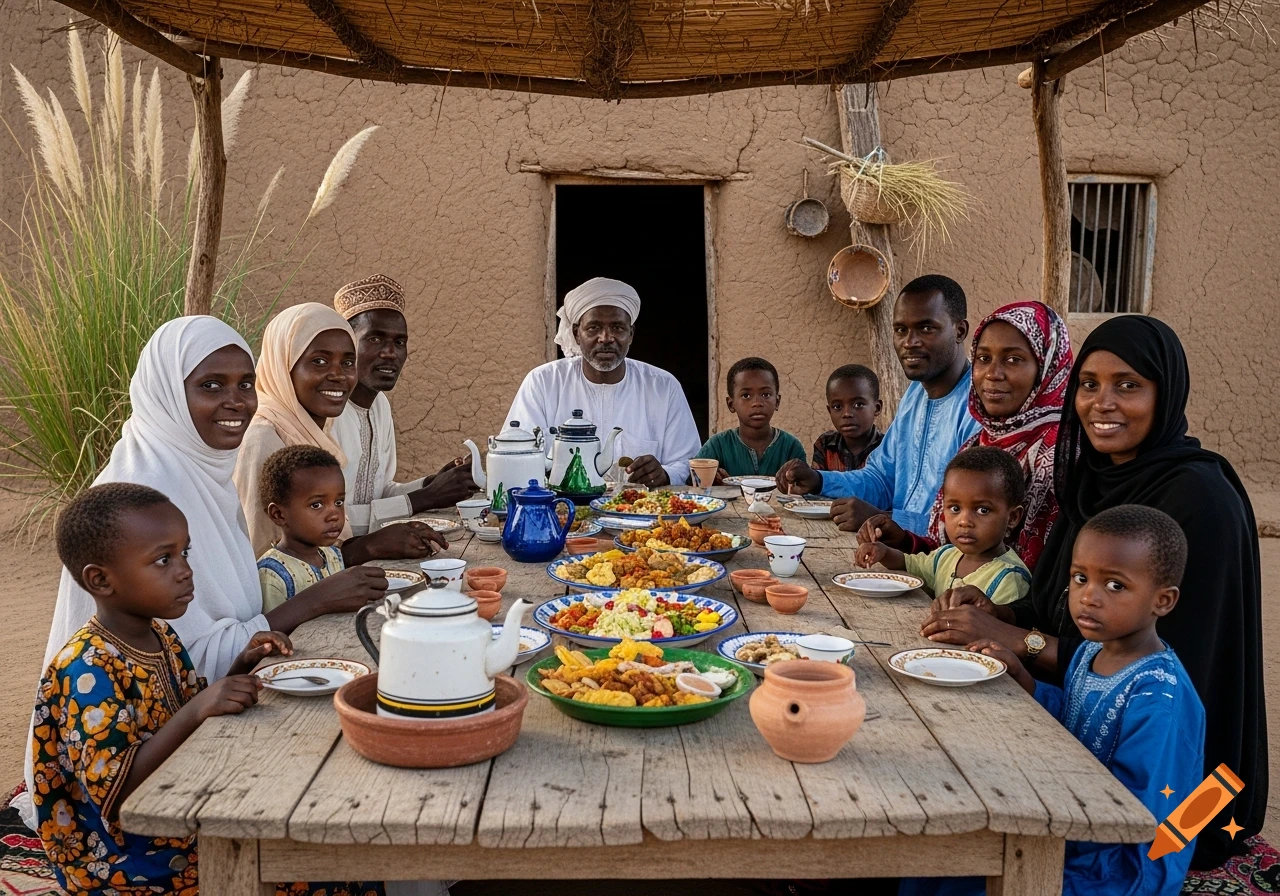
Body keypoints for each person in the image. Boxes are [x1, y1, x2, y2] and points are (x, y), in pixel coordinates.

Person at [919, 315, 1266, 870]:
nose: (1102, 403)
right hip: (1078, 719)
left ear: (1165, 392)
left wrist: (1017, 638)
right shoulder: (1093, 479)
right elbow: (1054, 599)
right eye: (1089, 384)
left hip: (1180, 797)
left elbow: (1149, 660)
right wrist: (996, 609)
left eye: (1128, 385)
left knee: (961, 824)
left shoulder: (1199, 500)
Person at [21, 316, 391, 832]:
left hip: (187, 736)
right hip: (126, 813)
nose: (236, 401)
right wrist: (314, 601)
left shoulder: (206, 472)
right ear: (167, 393)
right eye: (210, 385)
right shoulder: (139, 497)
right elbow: (175, 676)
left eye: (245, 384)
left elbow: (188, 661)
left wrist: (245, 651)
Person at [905, 505, 1204, 896]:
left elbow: (1137, 814)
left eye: (1115, 585)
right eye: (1080, 578)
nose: (1089, 598)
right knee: (932, 860)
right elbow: (1076, 717)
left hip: (1122, 864)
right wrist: (1025, 679)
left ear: (1162, 601)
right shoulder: (1089, 655)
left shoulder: (1158, 696)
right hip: (1074, 820)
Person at [32, 483, 289, 894]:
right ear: (101, 580)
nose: (185, 570)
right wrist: (198, 709)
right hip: (125, 859)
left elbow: (184, 710)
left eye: (184, 553)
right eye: (163, 560)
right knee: (303, 867)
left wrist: (243, 663)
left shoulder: (160, 635)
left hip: (176, 807)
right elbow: (117, 797)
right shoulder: (86, 670)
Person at [861, 301, 1072, 571]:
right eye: (984, 359)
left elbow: (1034, 579)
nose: (992, 374)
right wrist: (904, 540)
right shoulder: (980, 443)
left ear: (1047, 367)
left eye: (1013, 359)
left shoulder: (1057, 453)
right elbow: (954, 557)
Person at [233, 303, 446, 562]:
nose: (338, 375)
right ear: (284, 365)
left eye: (347, 362)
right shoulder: (263, 440)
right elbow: (263, 563)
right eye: (319, 361)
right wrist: (366, 548)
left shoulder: (318, 428)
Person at [777, 275, 981, 534]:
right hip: (896, 553)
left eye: (926, 328)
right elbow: (881, 480)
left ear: (959, 331)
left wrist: (887, 521)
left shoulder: (978, 407)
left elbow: (969, 524)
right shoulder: (915, 394)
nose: (910, 342)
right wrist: (819, 481)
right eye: (900, 330)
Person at [504, 277, 701, 488]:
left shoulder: (663, 387)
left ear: (631, 334)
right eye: (593, 328)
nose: (606, 338)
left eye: (617, 328)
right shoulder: (543, 383)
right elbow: (516, 455)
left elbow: (689, 462)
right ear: (576, 334)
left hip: (644, 514)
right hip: (562, 511)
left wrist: (664, 473)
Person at [331, 275, 477, 535]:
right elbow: (329, 518)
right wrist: (425, 498)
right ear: (345, 344)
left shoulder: (380, 406)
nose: (390, 353)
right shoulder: (327, 412)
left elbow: (381, 493)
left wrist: (431, 484)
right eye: (375, 339)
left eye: (399, 343)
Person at [857, 447, 1030, 606]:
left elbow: (997, 630)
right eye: (955, 508)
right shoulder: (946, 556)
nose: (964, 521)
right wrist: (884, 552)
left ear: (1013, 517)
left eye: (982, 510)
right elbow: (909, 564)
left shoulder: (1009, 579)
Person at [258, 445, 366, 612]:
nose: (334, 515)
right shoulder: (272, 575)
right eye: (316, 505)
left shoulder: (333, 555)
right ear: (279, 514)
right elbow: (274, 632)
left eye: (338, 502)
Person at [694, 357, 805, 480]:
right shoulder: (717, 445)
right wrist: (708, 478)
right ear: (731, 404)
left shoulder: (791, 447)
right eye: (746, 395)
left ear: (777, 401)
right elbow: (693, 479)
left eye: (765, 394)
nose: (757, 403)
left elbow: (803, 488)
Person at [811, 364, 883, 472]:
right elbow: (818, 484)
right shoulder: (826, 445)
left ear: (876, 408)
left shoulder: (887, 448)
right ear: (829, 411)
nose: (847, 414)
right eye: (837, 407)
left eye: (858, 405)